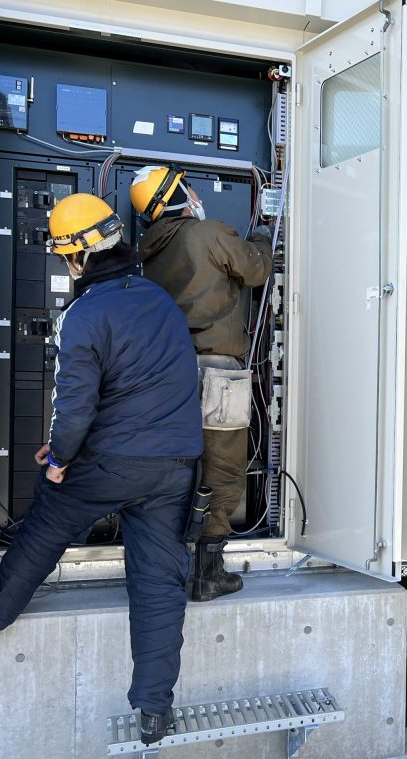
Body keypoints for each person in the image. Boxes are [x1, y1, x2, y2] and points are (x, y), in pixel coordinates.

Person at [0, 193, 203, 745]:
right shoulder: (161, 301)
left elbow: (74, 406)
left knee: (47, 524)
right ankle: (154, 710)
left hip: (109, 462)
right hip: (174, 465)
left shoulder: (84, 314)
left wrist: (60, 458)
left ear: (78, 256)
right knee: (159, 582)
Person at [130, 165, 272, 601]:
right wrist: (263, 237)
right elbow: (256, 270)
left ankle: (168, 564)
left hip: (169, 376)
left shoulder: (148, 253)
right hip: (218, 371)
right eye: (188, 187)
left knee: (177, 468)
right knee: (222, 467)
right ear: (178, 196)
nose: (195, 194)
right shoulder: (208, 233)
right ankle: (208, 573)